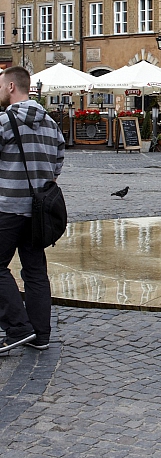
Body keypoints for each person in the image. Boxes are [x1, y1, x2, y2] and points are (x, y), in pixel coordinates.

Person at [0, 66, 65, 353]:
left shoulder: (4, 121)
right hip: (40, 212)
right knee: (35, 271)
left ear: (12, 87)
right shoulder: (51, 124)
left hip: (8, 207)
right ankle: (40, 335)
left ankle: (18, 327)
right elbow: (57, 167)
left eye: (1, 85)